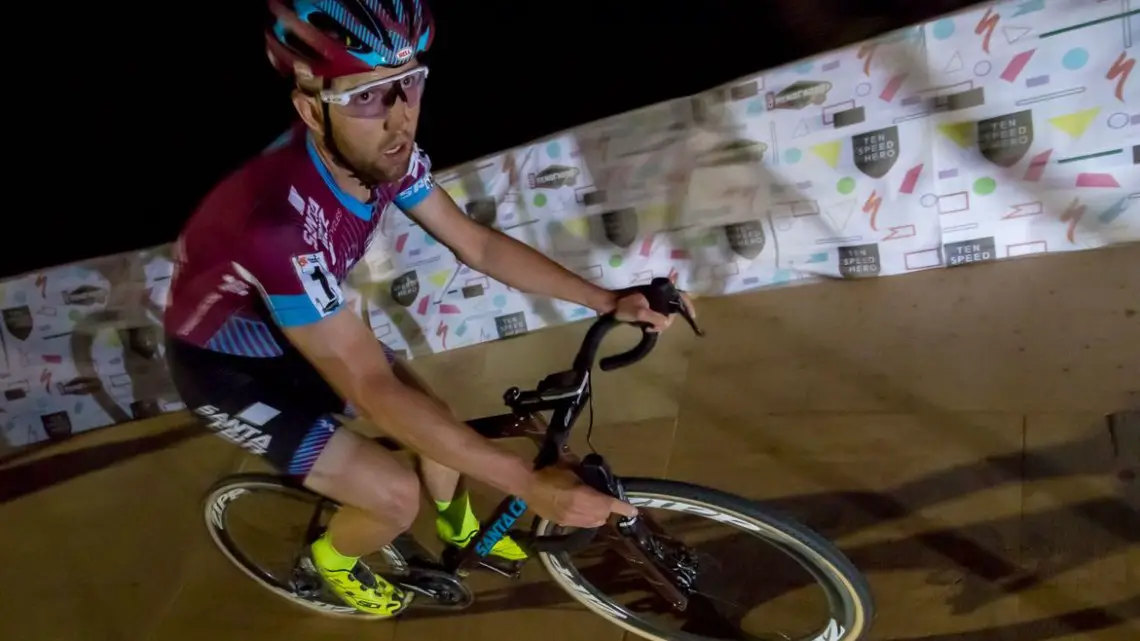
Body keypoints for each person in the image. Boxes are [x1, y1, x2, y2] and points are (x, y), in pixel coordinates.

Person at [163, 0, 694, 619]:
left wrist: (605, 298)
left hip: (292, 324)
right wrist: (524, 483)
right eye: (367, 97)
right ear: (311, 109)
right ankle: (328, 562)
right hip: (228, 367)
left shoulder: (380, 155)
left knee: (437, 426)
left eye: (408, 84)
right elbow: (369, 381)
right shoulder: (274, 222)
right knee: (393, 495)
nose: (400, 119)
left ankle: (457, 523)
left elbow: (477, 243)